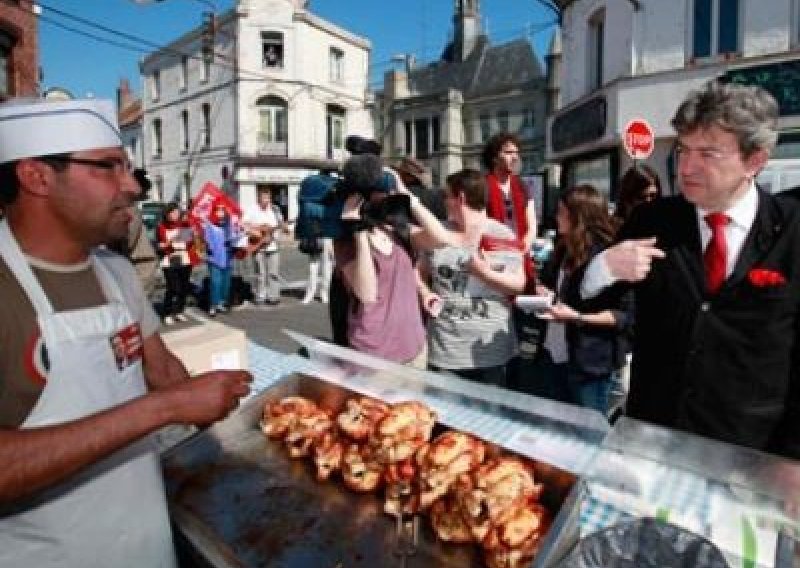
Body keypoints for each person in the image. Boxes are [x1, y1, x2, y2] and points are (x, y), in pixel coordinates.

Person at [0, 98, 252, 567]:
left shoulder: (114, 270)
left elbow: (161, 371)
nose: (132, 186)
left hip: (146, 542)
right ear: (35, 176)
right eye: (109, 167)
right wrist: (168, 407)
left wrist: (244, 423)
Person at [581, 81, 800, 457]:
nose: (685, 166)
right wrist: (603, 268)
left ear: (755, 161)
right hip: (655, 439)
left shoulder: (793, 228)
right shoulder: (653, 220)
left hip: (752, 451)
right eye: (682, 150)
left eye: (707, 154)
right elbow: (581, 301)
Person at [335, 154, 455, 368]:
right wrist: (359, 231)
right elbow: (367, 293)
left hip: (414, 347)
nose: (390, 195)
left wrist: (408, 195)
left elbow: (442, 238)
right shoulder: (347, 241)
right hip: (374, 354)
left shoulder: (398, 230)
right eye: (384, 190)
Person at [417, 169, 525, 387]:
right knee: (447, 418)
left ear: (461, 198)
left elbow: (518, 285)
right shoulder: (438, 232)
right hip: (446, 350)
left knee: (490, 419)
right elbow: (418, 272)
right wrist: (425, 292)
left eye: (447, 196)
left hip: (490, 352)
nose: (445, 202)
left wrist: (484, 273)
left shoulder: (500, 234)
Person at [534, 185, 633, 415]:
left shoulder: (609, 257)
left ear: (578, 216)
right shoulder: (563, 249)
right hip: (555, 354)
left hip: (590, 362)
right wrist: (543, 293)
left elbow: (624, 316)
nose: (556, 217)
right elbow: (550, 285)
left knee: (589, 434)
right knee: (559, 429)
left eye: (561, 211)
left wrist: (576, 317)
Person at [106, 168, 159, 297]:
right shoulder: (129, 208)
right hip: (138, 264)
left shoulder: (123, 206)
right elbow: (128, 238)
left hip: (133, 263)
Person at [482, 132, 537, 253]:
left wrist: (522, 249)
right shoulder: (482, 186)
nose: (515, 157)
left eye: (516, 153)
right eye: (508, 152)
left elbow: (532, 226)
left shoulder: (523, 186)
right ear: (494, 158)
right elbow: (480, 227)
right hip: (493, 257)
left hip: (520, 256)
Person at [241, 188, 284, 306]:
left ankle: (273, 296)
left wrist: (284, 228)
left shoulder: (275, 209)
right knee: (260, 273)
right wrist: (256, 231)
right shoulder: (252, 209)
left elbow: (281, 225)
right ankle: (260, 296)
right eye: (263, 198)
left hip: (273, 245)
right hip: (258, 245)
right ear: (258, 198)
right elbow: (243, 224)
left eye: (268, 198)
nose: (266, 200)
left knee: (273, 273)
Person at [156, 203, 193, 325]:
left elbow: (189, 243)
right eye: (172, 212)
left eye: (177, 212)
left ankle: (179, 311)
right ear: (167, 214)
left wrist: (193, 236)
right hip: (170, 258)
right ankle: (167, 312)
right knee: (172, 287)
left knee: (184, 287)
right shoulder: (161, 227)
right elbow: (160, 244)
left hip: (184, 257)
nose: (175, 214)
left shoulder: (184, 225)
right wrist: (167, 244)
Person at [203, 200, 240, 316]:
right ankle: (213, 305)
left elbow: (235, 236)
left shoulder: (229, 224)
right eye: (217, 209)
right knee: (215, 282)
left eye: (222, 209)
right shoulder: (210, 224)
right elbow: (206, 240)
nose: (220, 212)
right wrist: (208, 246)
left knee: (226, 283)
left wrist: (236, 240)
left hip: (227, 257)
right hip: (214, 258)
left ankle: (221, 303)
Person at [394, 156, 447, 221]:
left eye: (400, 173)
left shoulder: (400, 194)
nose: (398, 175)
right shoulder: (437, 193)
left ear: (408, 176)